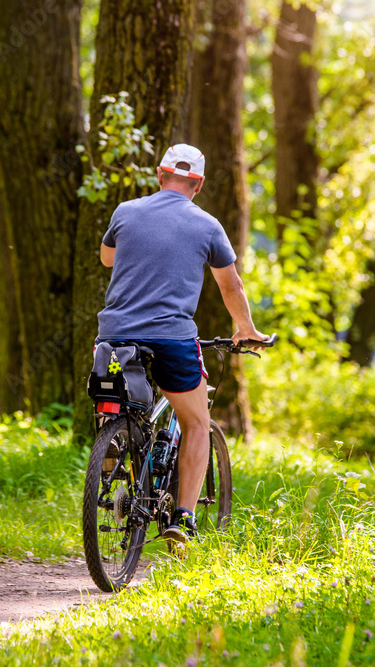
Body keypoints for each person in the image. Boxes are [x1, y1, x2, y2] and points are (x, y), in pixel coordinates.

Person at [96, 143, 270, 544]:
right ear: (200, 184)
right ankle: (183, 518)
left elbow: (107, 258)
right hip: (172, 338)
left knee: (114, 397)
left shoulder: (126, 212)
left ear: (160, 175)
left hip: (115, 335)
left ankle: (110, 453)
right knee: (196, 423)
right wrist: (245, 327)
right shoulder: (207, 225)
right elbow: (231, 285)